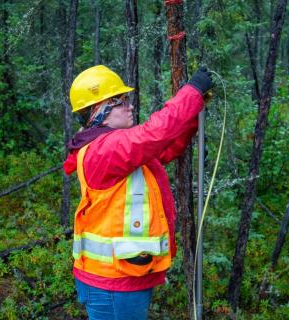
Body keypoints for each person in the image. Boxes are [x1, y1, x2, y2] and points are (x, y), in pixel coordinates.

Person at [63, 65, 213, 320]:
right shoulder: (104, 150)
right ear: (100, 110)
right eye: (121, 101)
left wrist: (192, 112)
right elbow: (154, 134)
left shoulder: (114, 148)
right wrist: (191, 93)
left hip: (121, 277)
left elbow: (165, 146)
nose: (130, 106)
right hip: (112, 283)